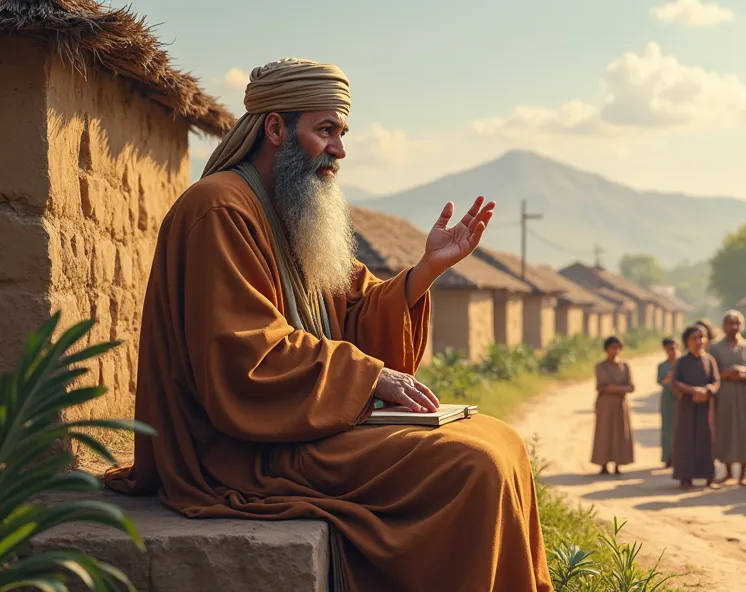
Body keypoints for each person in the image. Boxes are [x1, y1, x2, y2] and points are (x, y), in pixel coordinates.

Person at [102, 58, 552, 592]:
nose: (340, 149)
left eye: (342, 132)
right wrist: (371, 378)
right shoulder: (220, 209)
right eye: (326, 130)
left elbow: (357, 309)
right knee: (474, 467)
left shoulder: (293, 209)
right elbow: (247, 358)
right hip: (243, 448)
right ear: (275, 128)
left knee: (502, 442)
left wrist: (425, 271)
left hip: (304, 421)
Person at [708, 310, 746, 486]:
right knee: (726, 431)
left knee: (745, 432)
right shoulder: (715, 348)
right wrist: (726, 374)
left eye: (738, 323)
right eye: (731, 323)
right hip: (724, 396)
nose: (734, 327)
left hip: (744, 395)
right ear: (724, 326)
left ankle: (743, 475)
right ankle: (728, 472)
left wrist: (743, 375)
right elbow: (710, 374)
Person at [672, 326, 721, 490]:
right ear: (687, 341)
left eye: (702, 337)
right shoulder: (682, 361)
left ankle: (709, 477)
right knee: (686, 440)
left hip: (705, 405)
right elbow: (675, 382)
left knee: (706, 439)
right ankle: (685, 478)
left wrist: (707, 390)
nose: (699, 341)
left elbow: (716, 381)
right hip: (687, 405)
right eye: (694, 338)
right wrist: (692, 390)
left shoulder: (709, 360)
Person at [592, 336, 636, 475]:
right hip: (605, 405)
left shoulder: (625, 366)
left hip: (620, 405)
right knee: (604, 433)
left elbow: (631, 387)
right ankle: (603, 464)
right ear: (606, 350)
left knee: (619, 433)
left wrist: (615, 388)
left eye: (617, 348)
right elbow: (601, 386)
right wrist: (619, 388)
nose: (615, 351)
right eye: (612, 348)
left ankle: (618, 464)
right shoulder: (600, 367)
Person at [657, 337, 679, 468]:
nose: (672, 351)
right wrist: (669, 379)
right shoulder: (662, 366)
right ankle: (668, 456)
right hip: (668, 399)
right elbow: (661, 382)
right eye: (669, 349)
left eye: (674, 348)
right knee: (667, 428)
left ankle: (679, 456)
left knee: (680, 428)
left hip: (681, 398)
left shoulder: (683, 363)